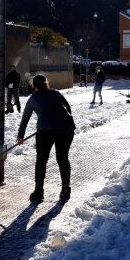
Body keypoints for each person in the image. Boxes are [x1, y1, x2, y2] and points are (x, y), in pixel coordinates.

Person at [16, 74, 76, 203]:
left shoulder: (33, 98)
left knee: (41, 160)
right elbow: (68, 109)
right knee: (63, 158)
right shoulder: (56, 93)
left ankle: (39, 191)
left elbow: (25, 118)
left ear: (34, 85)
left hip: (45, 131)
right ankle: (66, 189)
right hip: (66, 128)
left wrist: (21, 135)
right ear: (46, 83)